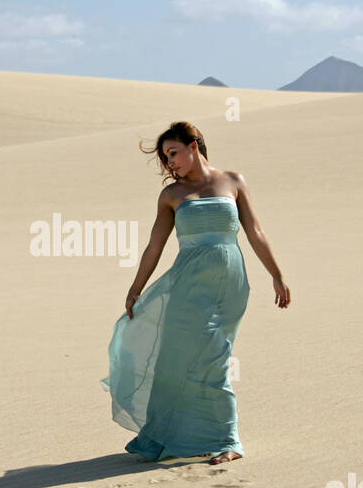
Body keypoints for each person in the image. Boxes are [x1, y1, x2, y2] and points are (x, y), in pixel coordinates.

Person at [102, 121, 290, 464]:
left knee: (216, 355)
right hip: (187, 285)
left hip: (229, 282)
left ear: (194, 145)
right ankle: (190, 437)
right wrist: (135, 289)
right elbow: (153, 247)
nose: (170, 163)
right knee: (181, 358)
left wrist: (276, 275)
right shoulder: (171, 195)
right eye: (165, 158)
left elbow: (255, 231)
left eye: (173, 153)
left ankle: (225, 440)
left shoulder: (233, 181)